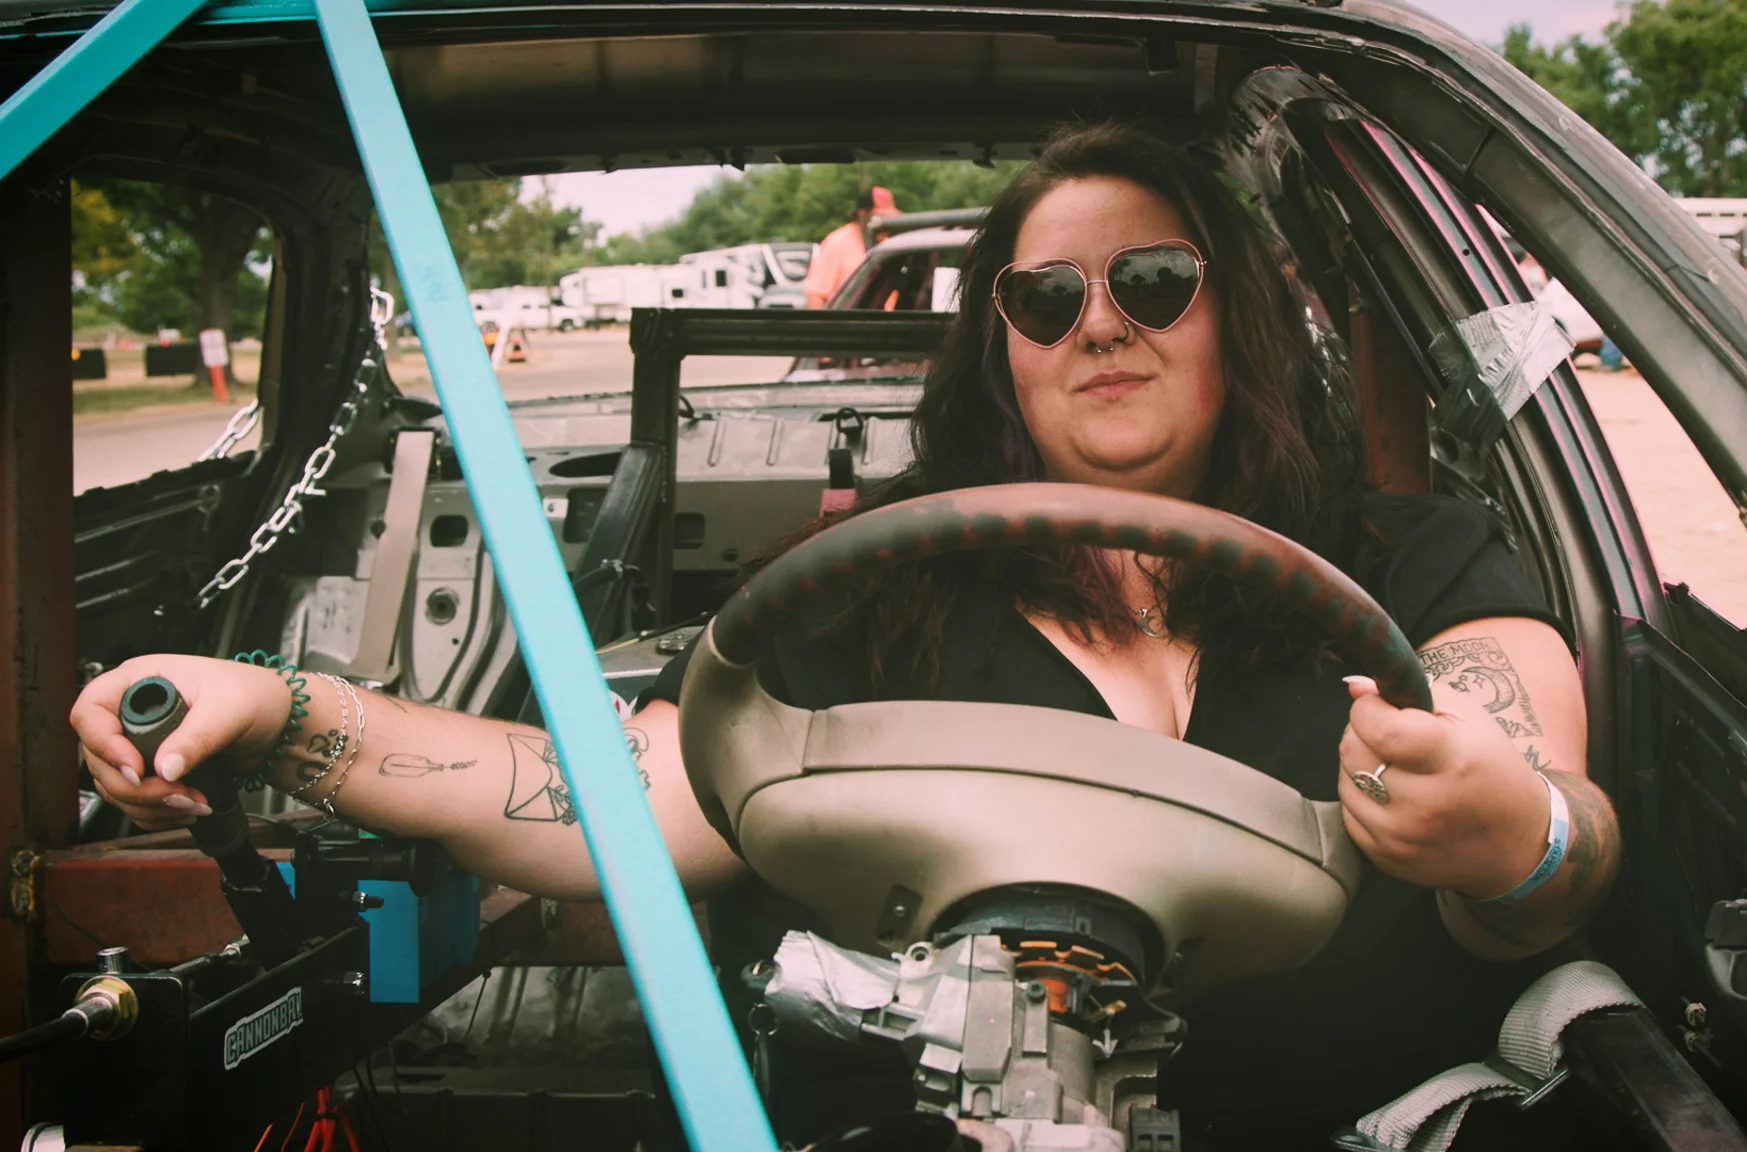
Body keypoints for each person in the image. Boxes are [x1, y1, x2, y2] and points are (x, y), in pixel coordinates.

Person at [74, 122, 1619, 1150]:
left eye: (1156, 280)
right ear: (997, 347)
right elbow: (595, 802)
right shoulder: (874, 597)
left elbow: (1557, 860)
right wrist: (277, 704)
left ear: (1237, 319)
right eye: (1042, 295)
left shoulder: (1410, 565)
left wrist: (1508, 835)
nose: (1101, 323)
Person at [803, 185, 900, 308]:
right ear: (862, 214)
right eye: (881, 217)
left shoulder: (888, 244)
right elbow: (814, 296)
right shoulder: (837, 242)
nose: (885, 223)